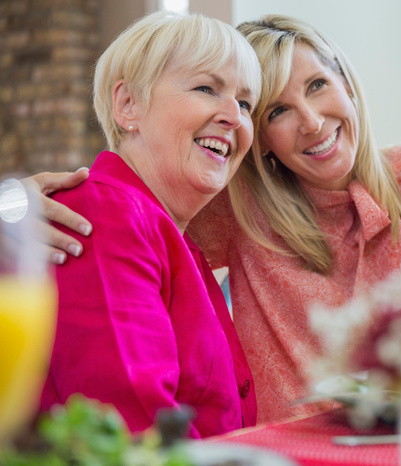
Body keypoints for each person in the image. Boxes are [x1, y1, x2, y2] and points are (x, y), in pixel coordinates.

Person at [30, 14, 401, 424]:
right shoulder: (234, 208)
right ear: (263, 141)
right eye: (276, 110)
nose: (311, 122)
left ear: (347, 84)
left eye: (317, 84)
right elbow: (123, 205)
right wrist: (14, 209)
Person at [34, 11, 261, 437]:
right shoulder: (102, 211)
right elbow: (133, 423)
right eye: (206, 88)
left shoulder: (167, 232)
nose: (235, 116)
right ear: (128, 105)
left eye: (246, 103)